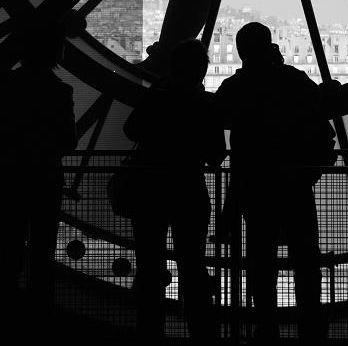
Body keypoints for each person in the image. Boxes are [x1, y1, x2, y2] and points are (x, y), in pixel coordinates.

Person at [215, 22, 336, 343]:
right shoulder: (294, 81)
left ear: (242, 50)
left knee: (260, 261)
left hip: (254, 188)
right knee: (306, 259)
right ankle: (311, 322)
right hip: (295, 185)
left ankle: (265, 323)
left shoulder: (236, 88)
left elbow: (217, 116)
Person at [123, 38, 226, 343]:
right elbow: (216, 154)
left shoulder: (156, 98)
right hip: (188, 189)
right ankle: (200, 329)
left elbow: (132, 130)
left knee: (149, 264)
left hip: (150, 188)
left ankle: (149, 330)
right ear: (201, 71)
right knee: (193, 267)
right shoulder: (203, 106)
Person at [0, 22, 77, 332]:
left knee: (9, 247)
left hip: (11, 177)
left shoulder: (7, 85)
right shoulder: (60, 91)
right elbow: (67, 141)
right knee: (42, 252)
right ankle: (38, 316)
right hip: (45, 179)